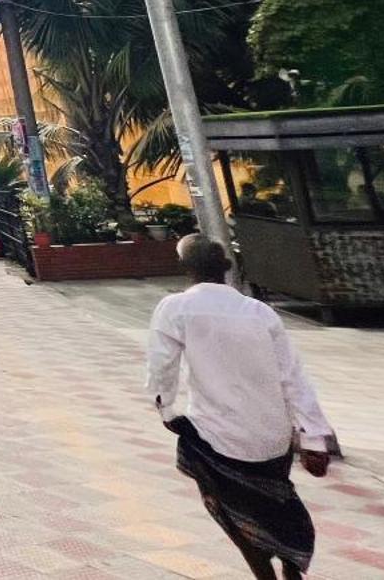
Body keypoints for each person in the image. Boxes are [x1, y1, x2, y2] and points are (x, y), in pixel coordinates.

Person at [147, 236, 332, 580]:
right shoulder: (259, 312)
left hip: (217, 434)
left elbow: (161, 369)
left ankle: (264, 572)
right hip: (272, 435)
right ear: (225, 268)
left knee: (225, 507)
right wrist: (314, 438)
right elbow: (293, 376)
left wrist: (167, 411)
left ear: (184, 268)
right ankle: (291, 563)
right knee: (277, 501)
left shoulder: (174, 308)